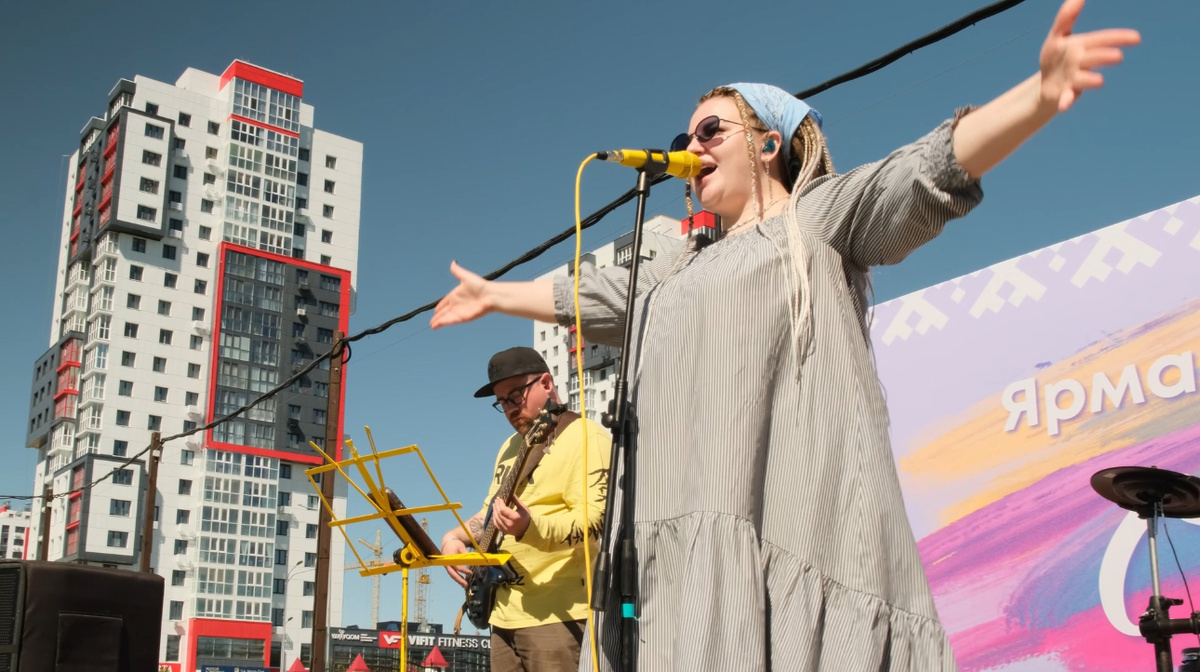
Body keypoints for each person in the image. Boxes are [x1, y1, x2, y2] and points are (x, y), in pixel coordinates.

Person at [430, 1, 1139, 669]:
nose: (690, 149)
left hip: (781, 523)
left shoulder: (813, 221)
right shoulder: (672, 265)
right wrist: (493, 295)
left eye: (710, 131)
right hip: (666, 558)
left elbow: (918, 175)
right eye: (683, 140)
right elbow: (584, 295)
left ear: (769, 143)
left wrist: (1038, 95)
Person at [440, 347, 612, 672]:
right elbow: (490, 513)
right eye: (502, 402)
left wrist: (529, 528)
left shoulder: (587, 437)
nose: (509, 409)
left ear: (545, 383)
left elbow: (596, 523)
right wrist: (454, 537)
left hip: (559, 616)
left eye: (516, 396)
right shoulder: (509, 447)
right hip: (502, 615)